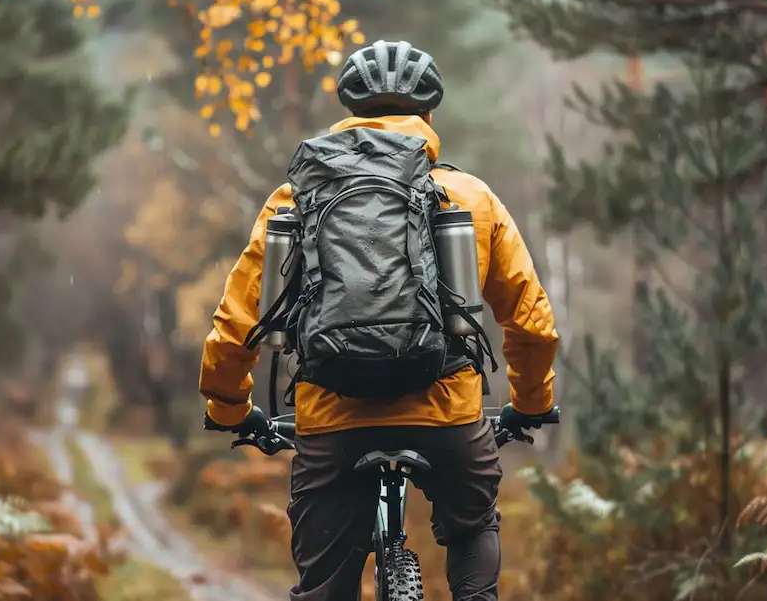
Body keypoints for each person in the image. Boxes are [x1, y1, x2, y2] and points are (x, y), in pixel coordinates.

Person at [199, 40, 559, 601]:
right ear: (429, 116)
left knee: (324, 586)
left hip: (333, 417)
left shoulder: (294, 199)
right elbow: (531, 321)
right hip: (447, 417)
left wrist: (229, 408)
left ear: (348, 112)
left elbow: (238, 321)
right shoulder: (470, 197)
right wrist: (532, 403)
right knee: (471, 527)